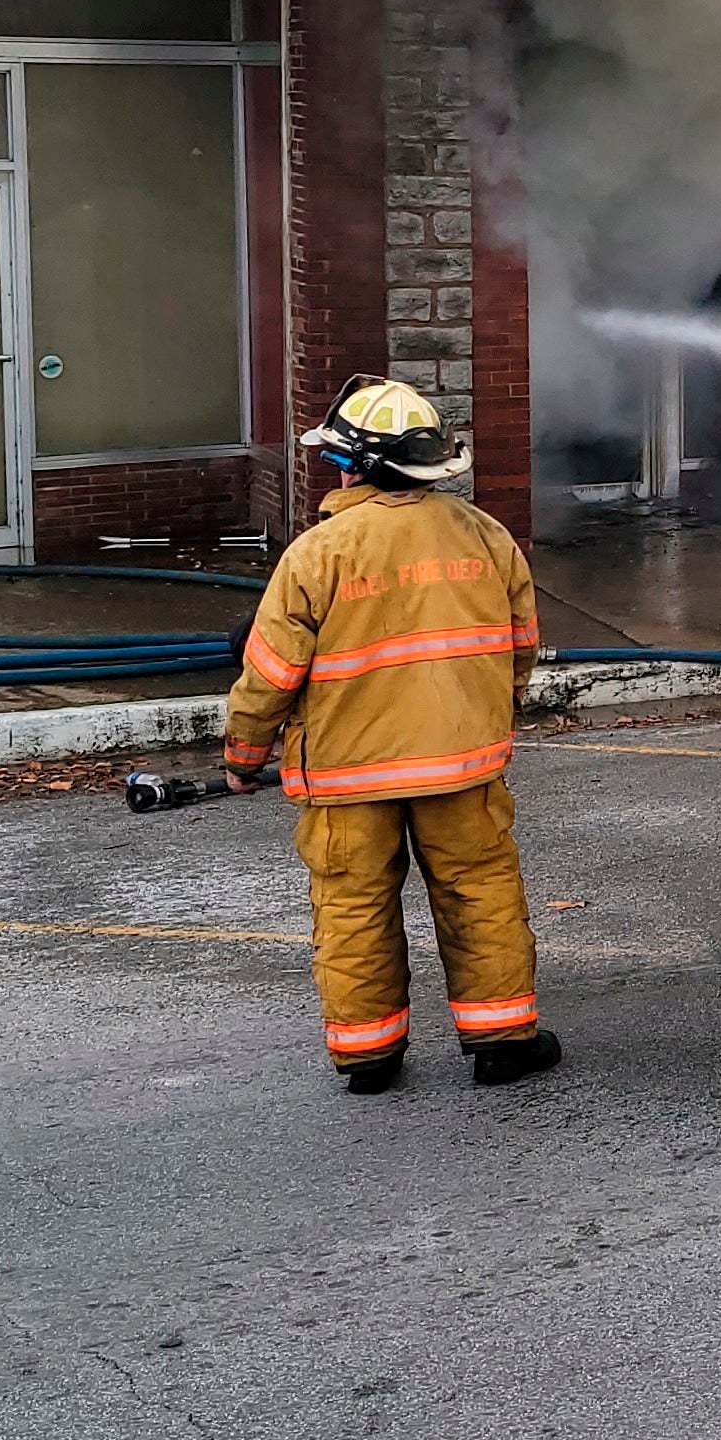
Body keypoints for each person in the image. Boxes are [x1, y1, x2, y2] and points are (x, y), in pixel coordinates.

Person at [222, 375, 555, 1093]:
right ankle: (501, 1040)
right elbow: (522, 644)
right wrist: (492, 711)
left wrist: (243, 756)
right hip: (464, 769)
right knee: (480, 892)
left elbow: (270, 675)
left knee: (353, 905)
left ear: (352, 466)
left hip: (348, 780)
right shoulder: (487, 538)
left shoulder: (318, 553)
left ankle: (369, 1055)